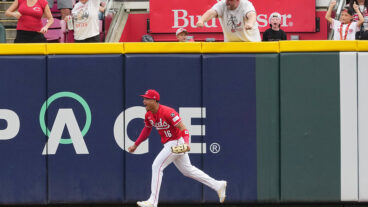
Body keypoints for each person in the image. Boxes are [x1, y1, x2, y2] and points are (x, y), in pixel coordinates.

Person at [128, 89, 227, 207]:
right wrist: (136, 144)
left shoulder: (168, 112)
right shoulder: (149, 114)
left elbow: (183, 128)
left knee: (157, 166)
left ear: (154, 100)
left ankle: (153, 201)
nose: (143, 101)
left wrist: (186, 143)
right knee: (187, 170)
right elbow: (146, 130)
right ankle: (217, 185)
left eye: (146, 99)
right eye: (143, 98)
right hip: (169, 144)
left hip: (176, 143)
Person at [196, 0, 261, 42]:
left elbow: (251, 15)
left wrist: (250, 23)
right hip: (231, 45)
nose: (227, 2)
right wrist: (202, 20)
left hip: (251, 44)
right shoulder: (223, 4)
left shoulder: (246, 4)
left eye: (230, 0)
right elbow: (211, 12)